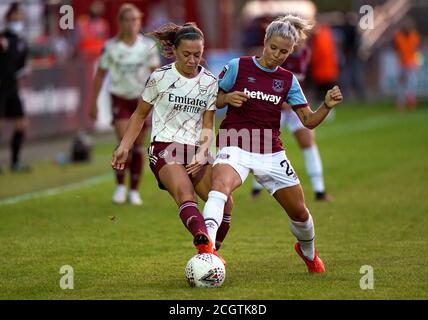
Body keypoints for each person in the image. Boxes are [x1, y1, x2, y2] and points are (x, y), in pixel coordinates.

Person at [202, 15, 343, 273]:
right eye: (273, 48)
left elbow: (308, 121)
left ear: (291, 52)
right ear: (265, 42)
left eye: (284, 52)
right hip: (236, 143)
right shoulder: (238, 66)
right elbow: (212, 98)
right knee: (220, 187)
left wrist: (326, 105)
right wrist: (227, 98)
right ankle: (207, 250)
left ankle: (308, 253)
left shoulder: (289, 80)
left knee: (300, 213)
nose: (277, 55)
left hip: (271, 151)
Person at [111, 22, 233, 260]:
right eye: (186, 54)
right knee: (185, 194)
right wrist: (124, 146)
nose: (192, 60)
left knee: (226, 203)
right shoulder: (160, 77)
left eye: (197, 55)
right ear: (174, 51)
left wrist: (202, 153)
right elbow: (139, 115)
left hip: (196, 150)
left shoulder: (209, 82)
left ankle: (211, 255)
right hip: (165, 148)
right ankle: (203, 243)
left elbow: (209, 125)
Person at [90, 3, 160, 205]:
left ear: (140, 21)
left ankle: (134, 190)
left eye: (135, 20)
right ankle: (120, 186)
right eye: (127, 20)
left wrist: (157, 101)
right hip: (119, 98)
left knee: (137, 145)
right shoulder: (111, 47)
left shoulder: (147, 46)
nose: (131, 24)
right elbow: (100, 75)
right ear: (120, 22)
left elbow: (155, 75)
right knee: (124, 141)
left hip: (140, 99)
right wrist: (93, 103)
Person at [251, 41, 332, 202]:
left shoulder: (305, 52)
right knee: (263, 147)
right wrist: (281, 100)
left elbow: (299, 81)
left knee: (308, 143)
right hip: (274, 106)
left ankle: (319, 191)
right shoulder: (279, 54)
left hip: (296, 107)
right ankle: (256, 189)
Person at [0, 2, 30, 173]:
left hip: (12, 87)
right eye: (14, 18)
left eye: (19, 18)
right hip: (1, 87)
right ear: (7, 19)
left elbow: (21, 65)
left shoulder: (22, 42)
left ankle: (15, 162)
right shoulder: (2, 38)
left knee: (21, 124)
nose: (17, 21)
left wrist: (24, 70)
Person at [393, 17, 421, 110]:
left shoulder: (414, 35)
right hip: (402, 63)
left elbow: (416, 48)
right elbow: (396, 48)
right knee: (401, 83)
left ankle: (411, 99)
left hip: (412, 62)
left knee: (412, 82)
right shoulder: (398, 36)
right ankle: (401, 101)